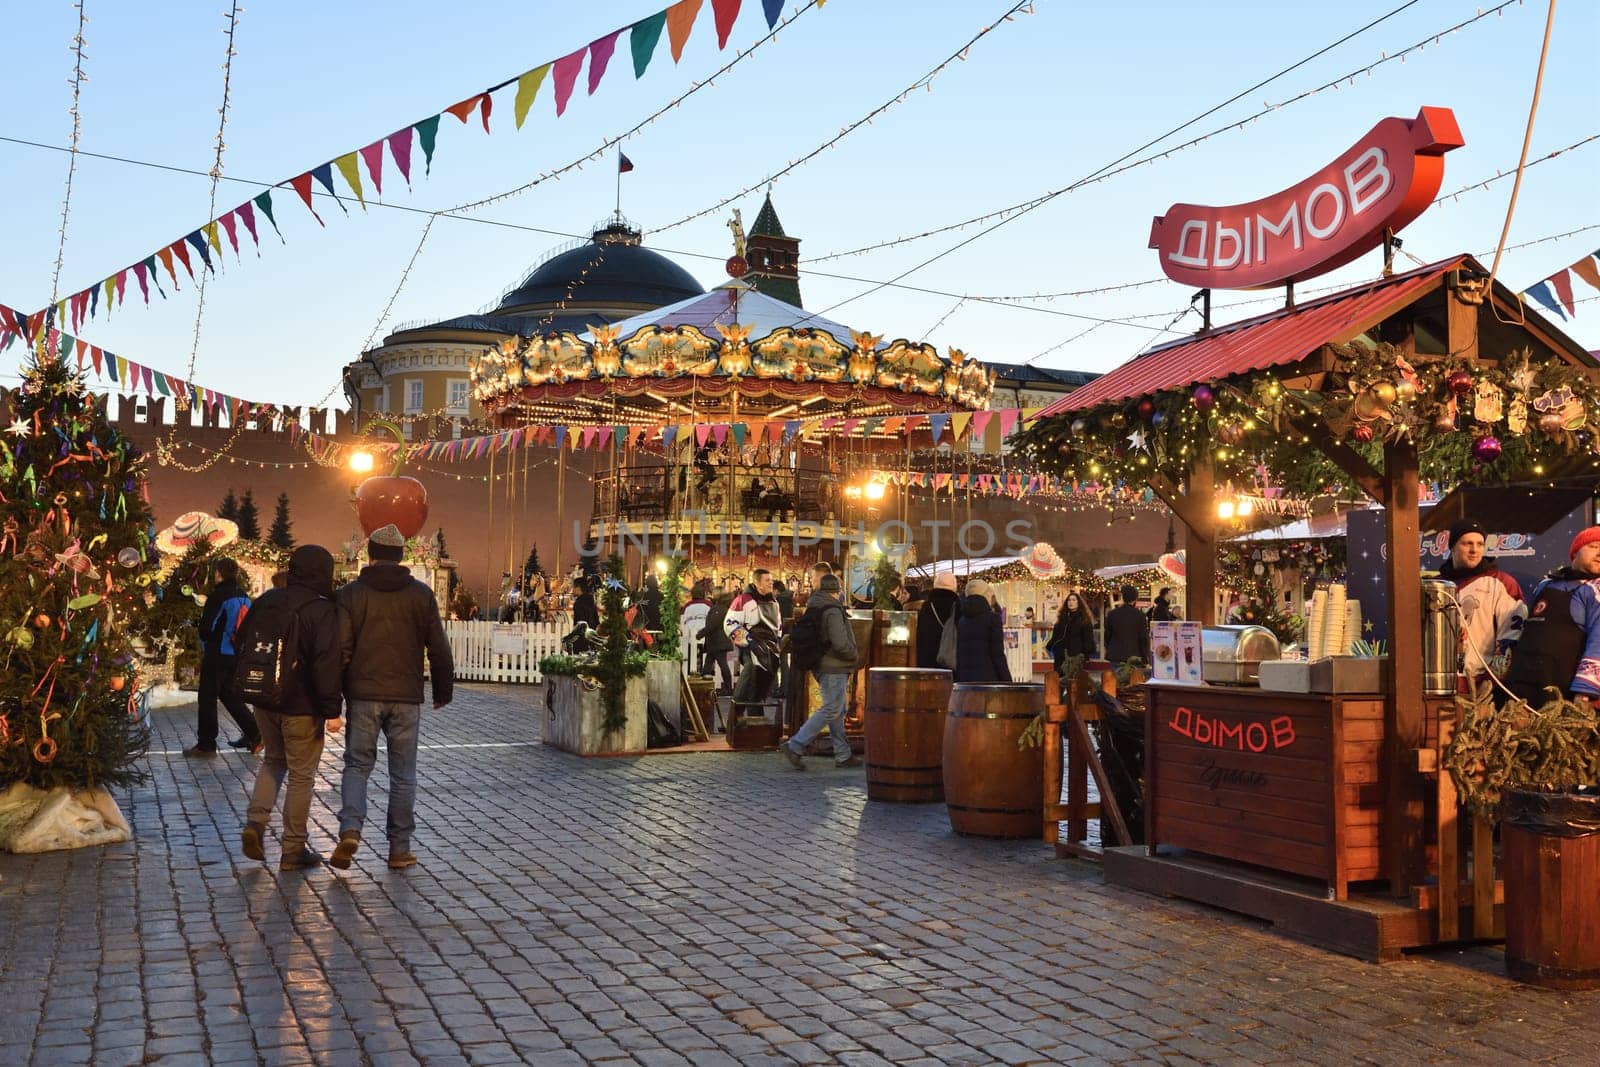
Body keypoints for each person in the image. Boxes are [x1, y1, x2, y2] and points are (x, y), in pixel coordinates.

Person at [332, 524, 456, 872]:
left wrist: (337, 694)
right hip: (405, 697)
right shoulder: (420, 594)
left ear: (370, 555)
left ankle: (350, 828)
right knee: (403, 774)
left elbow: (340, 649)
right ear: (402, 557)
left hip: (363, 694)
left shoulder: (351, 594)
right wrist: (442, 691)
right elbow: (438, 648)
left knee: (357, 765)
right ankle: (399, 849)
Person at [238, 545, 346, 871]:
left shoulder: (268, 600)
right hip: (302, 705)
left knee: (273, 760)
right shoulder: (321, 609)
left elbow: (241, 639)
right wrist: (332, 710)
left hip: (263, 697)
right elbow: (326, 664)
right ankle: (293, 848)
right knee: (302, 775)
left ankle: (255, 824)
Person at [1504, 526, 1600, 705]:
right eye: (1594, 546)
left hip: (1562, 692)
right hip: (1522, 683)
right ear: (1575, 552)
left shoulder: (1596, 590)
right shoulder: (1546, 585)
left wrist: (1585, 689)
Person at [780, 573, 861, 770]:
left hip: (821, 663)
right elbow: (840, 642)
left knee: (837, 709)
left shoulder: (814, 605)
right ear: (837, 591)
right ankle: (795, 745)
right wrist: (853, 654)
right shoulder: (832, 610)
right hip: (833, 665)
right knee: (832, 708)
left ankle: (842, 754)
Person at [187, 557, 262, 757]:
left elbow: (207, 627)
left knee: (207, 697)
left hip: (217, 652)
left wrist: (204, 640)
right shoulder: (244, 596)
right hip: (234, 653)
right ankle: (254, 732)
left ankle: (206, 743)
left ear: (218, 573)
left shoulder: (219, 596)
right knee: (230, 694)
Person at [1437, 517, 1525, 681]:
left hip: (1480, 682)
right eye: (1467, 543)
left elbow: (1512, 635)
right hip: (1439, 682)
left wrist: (1493, 679)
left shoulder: (1502, 583)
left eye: (1480, 544)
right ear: (1452, 547)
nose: (1474, 550)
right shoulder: (1437, 586)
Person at [725, 569, 783, 707]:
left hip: (770, 650)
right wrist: (748, 640)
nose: (771, 583)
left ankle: (756, 720)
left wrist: (778, 643)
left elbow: (778, 626)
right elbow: (730, 623)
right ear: (757, 583)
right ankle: (735, 718)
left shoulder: (774, 602)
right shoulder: (742, 600)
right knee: (748, 678)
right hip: (751, 648)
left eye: (771, 580)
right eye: (767, 580)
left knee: (760, 689)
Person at [955, 578, 1011, 683]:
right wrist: (1007, 680)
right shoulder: (992, 619)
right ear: (987, 594)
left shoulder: (962, 620)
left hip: (965, 680)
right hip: (988, 680)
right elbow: (997, 654)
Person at [917, 571, 960, 669]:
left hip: (928, 662)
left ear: (935, 585)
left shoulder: (927, 607)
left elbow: (920, 635)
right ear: (954, 586)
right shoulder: (958, 607)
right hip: (951, 661)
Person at [1047, 592, 1098, 671]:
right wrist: (1052, 646)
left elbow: (1088, 639)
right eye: (1069, 600)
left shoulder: (1084, 620)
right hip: (1060, 654)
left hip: (1076, 655)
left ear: (1078, 603)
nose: (1071, 602)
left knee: (1074, 679)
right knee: (1059, 678)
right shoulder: (1063, 618)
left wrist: (1084, 654)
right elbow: (1056, 635)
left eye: (1074, 600)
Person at [1104, 584, 1151, 665]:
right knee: (1133, 677)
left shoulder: (1112, 614)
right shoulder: (1140, 615)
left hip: (1115, 655)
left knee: (1116, 677)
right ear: (1135, 599)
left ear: (1122, 597)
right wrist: (1145, 657)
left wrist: (1109, 647)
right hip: (1134, 657)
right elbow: (1143, 638)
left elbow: (1107, 635)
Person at [680, 580, 712, 670]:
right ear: (703, 594)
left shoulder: (686, 606)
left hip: (690, 635)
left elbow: (682, 622)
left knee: (691, 654)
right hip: (705, 636)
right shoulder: (709, 605)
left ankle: (691, 669)